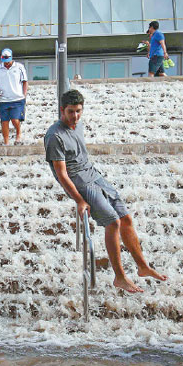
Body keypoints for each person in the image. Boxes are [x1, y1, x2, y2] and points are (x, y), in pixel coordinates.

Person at [44, 89, 167, 293]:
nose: (75, 116)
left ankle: (143, 266)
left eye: (78, 111)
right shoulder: (54, 136)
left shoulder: (78, 125)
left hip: (95, 175)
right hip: (80, 183)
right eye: (71, 112)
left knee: (125, 218)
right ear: (62, 110)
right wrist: (79, 200)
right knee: (113, 222)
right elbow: (62, 175)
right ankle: (119, 277)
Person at [0, 48, 28, 145]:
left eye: (8, 61)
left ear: (11, 58)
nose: (6, 63)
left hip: (17, 98)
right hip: (3, 99)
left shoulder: (19, 67)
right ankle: (6, 142)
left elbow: (25, 82)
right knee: (4, 121)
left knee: (15, 119)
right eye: (4, 61)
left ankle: (18, 133)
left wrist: (24, 95)